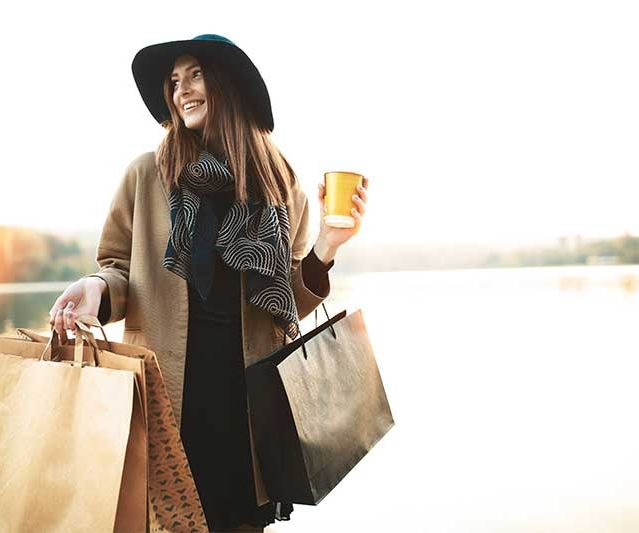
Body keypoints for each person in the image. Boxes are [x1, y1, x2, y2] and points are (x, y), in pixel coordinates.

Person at [48, 34, 368, 532]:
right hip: (168, 405)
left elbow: (285, 305)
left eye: (195, 75)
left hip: (250, 414)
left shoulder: (282, 187)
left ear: (229, 85)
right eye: (174, 81)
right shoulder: (147, 176)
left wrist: (327, 246)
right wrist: (96, 287)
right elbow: (117, 267)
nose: (181, 91)